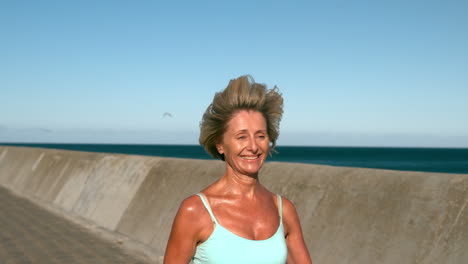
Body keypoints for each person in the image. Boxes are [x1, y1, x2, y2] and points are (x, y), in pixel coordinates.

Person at [164, 75, 312, 264]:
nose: (253, 146)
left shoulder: (284, 210)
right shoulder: (195, 210)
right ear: (220, 145)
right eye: (241, 137)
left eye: (260, 136)